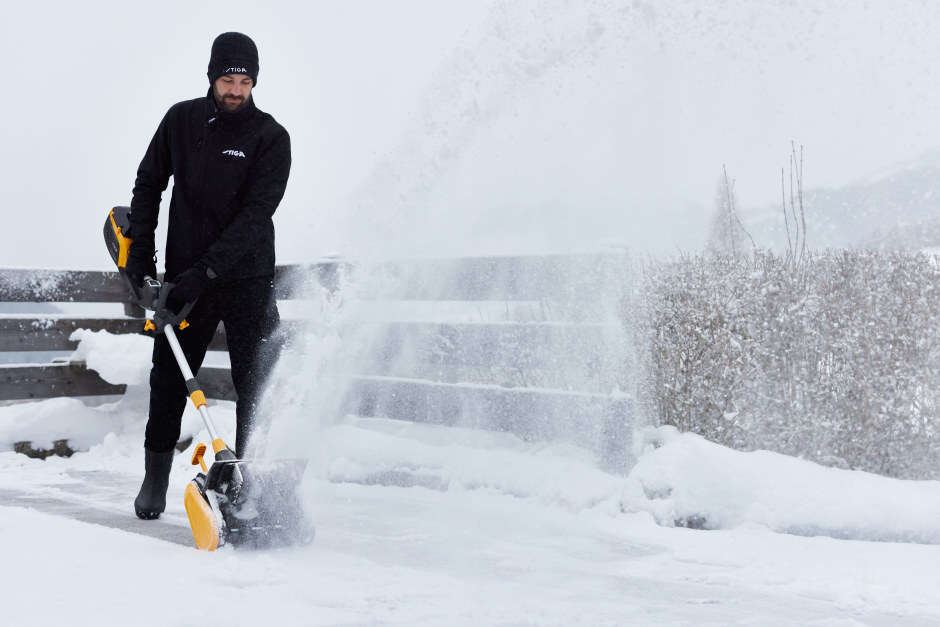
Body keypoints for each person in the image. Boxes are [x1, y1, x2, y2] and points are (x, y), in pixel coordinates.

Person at [125, 32, 291, 520]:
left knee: (257, 383)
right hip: (185, 280)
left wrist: (209, 270)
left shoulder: (271, 137)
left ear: (254, 82)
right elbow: (148, 184)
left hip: (247, 280)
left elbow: (256, 215)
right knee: (168, 378)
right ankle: (155, 477)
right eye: (227, 80)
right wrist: (140, 258)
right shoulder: (181, 121)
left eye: (245, 82)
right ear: (212, 76)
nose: (235, 90)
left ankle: (250, 485)